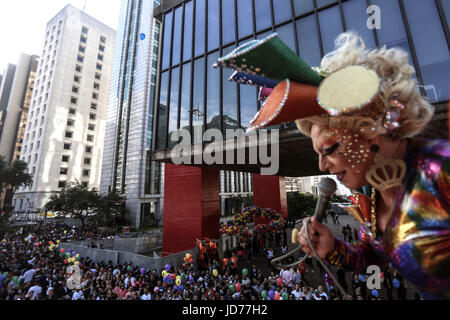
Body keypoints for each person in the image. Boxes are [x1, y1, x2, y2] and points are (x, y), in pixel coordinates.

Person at [217, 31, 449, 299]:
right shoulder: (371, 195)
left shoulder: (441, 169)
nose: (322, 165)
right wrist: (333, 248)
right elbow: (376, 258)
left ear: (370, 128)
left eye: (328, 149)